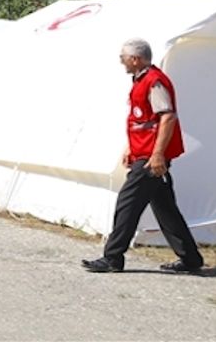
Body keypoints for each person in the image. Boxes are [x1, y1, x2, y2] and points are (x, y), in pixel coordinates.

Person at [82, 38, 204, 274]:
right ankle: (190, 259)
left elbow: (167, 117)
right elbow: (142, 121)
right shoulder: (140, 80)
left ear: (135, 59)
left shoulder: (154, 82)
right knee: (165, 209)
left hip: (150, 158)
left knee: (127, 204)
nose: (121, 62)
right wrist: (130, 148)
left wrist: (157, 155)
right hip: (144, 152)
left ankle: (113, 257)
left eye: (123, 57)